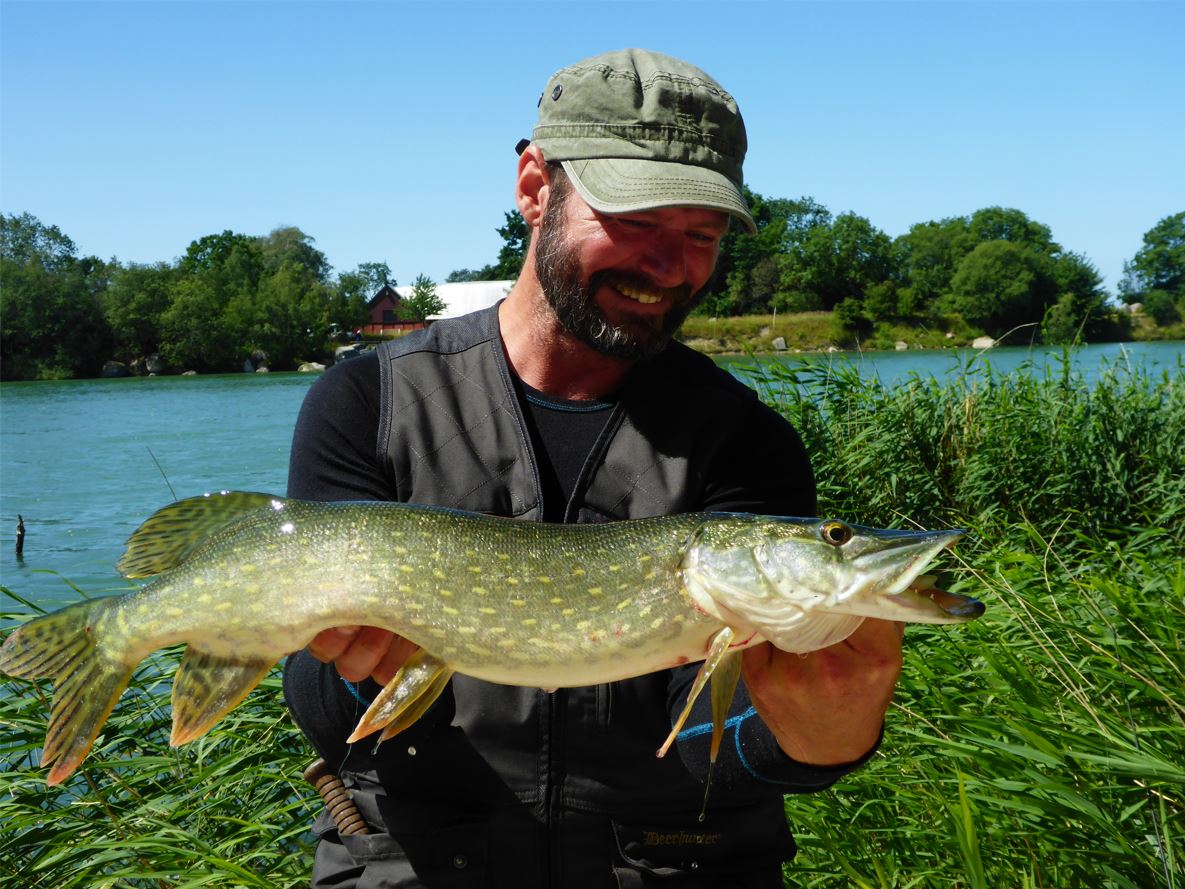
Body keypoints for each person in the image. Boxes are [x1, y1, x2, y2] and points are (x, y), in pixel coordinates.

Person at [283, 48, 903, 888]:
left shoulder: (744, 441)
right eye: (637, 222)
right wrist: (343, 667)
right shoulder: (369, 402)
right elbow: (332, 723)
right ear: (535, 188)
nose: (666, 266)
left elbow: (719, 752)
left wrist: (826, 733)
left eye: (701, 235)